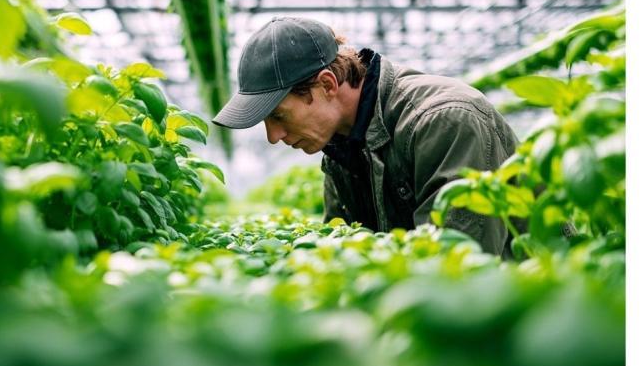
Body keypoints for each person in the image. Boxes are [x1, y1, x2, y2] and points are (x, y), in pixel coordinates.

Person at [212, 16, 520, 257]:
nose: (273, 136)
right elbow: (344, 245)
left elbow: (456, 267)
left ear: (328, 85)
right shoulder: (341, 147)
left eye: (278, 115)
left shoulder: (444, 121)